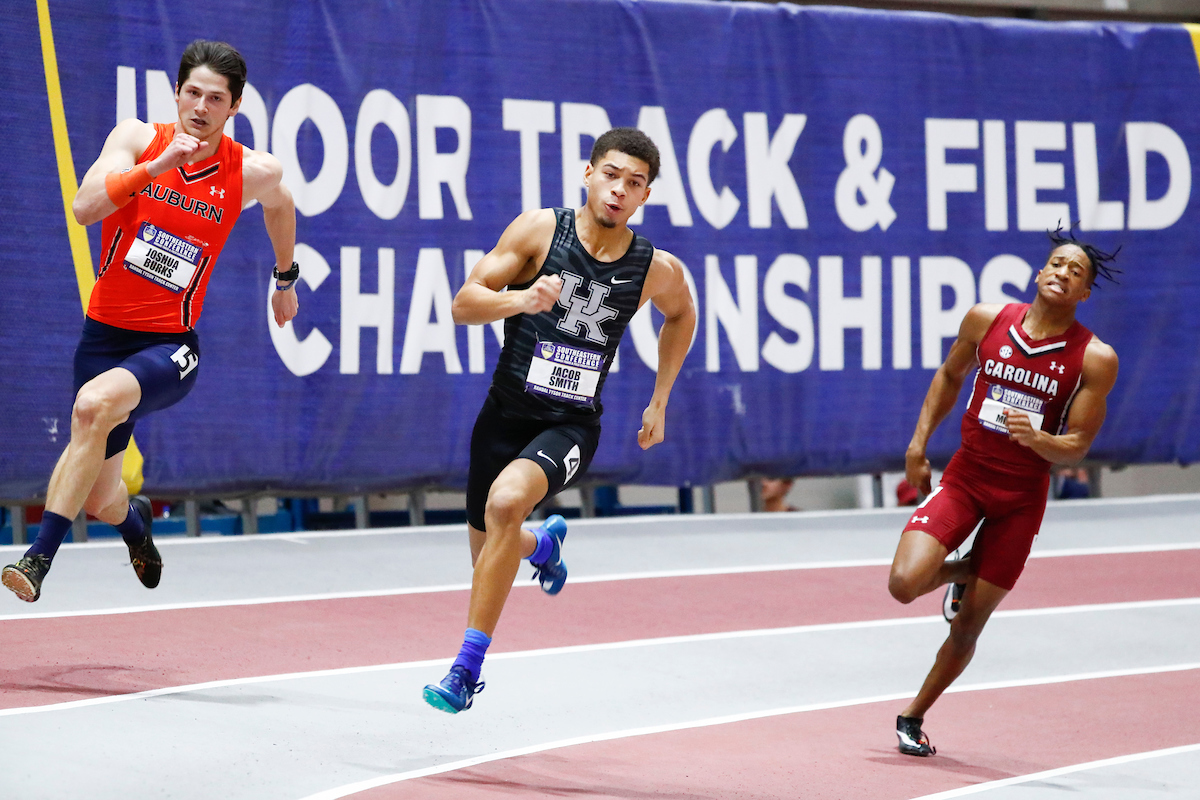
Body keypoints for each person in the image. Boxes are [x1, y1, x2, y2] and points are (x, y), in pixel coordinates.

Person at [2, 40, 298, 602]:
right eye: (192, 93)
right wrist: (156, 167)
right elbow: (85, 208)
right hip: (103, 338)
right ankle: (134, 522)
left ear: (233, 108)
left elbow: (281, 205)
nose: (201, 107)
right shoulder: (138, 139)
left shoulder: (248, 171)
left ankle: (37, 560)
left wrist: (285, 279)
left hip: (169, 347)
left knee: (93, 405)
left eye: (216, 98)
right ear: (177, 93)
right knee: (100, 498)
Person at [422, 127, 696, 713]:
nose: (620, 190)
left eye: (635, 183)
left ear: (646, 196)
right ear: (587, 173)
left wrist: (660, 399)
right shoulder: (539, 231)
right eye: (612, 174)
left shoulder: (654, 267)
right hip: (502, 418)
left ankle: (464, 672)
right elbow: (462, 304)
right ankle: (542, 546)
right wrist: (520, 299)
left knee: (503, 505)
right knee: (491, 550)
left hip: (570, 426)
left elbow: (682, 316)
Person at [886, 230, 1119, 756]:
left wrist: (1040, 439)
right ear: (1039, 274)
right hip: (966, 478)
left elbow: (1079, 444)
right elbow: (949, 375)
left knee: (969, 626)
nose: (1063, 272)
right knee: (903, 583)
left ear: (1084, 294)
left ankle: (912, 715)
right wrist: (917, 446)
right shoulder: (987, 319)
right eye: (1057, 264)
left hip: (1021, 497)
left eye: (1076, 272)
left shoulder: (1094, 357)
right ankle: (967, 569)